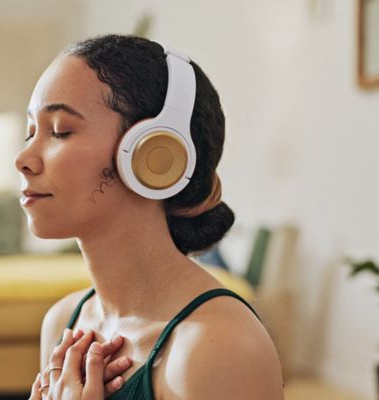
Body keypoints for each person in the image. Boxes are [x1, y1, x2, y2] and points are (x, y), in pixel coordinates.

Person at [16, 34, 284, 400]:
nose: (23, 159)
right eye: (30, 132)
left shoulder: (219, 346)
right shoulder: (64, 324)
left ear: (153, 155)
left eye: (59, 130)